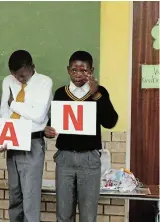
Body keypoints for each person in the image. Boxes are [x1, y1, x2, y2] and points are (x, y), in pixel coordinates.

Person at [44, 51, 118, 222]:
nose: (78, 75)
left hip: (89, 159)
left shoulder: (100, 93)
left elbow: (110, 122)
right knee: (63, 213)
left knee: (88, 214)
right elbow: (53, 123)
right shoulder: (61, 93)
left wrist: (96, 94)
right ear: (68, 70)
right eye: (74, 70)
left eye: (84, 70)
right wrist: (47, 131)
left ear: (91, 70)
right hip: (65, 159)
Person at [0, 50, 52, 222]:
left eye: (23, 75)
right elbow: (4, 111)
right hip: (12, 141)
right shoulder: (8, 81)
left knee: (30, 196)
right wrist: (2, 137)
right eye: (15, 76)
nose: (19, 79)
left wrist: (13, 103)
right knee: (15, 195)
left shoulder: (44, 82)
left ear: (32, 67)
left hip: (32, 141)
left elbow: (38, 115)